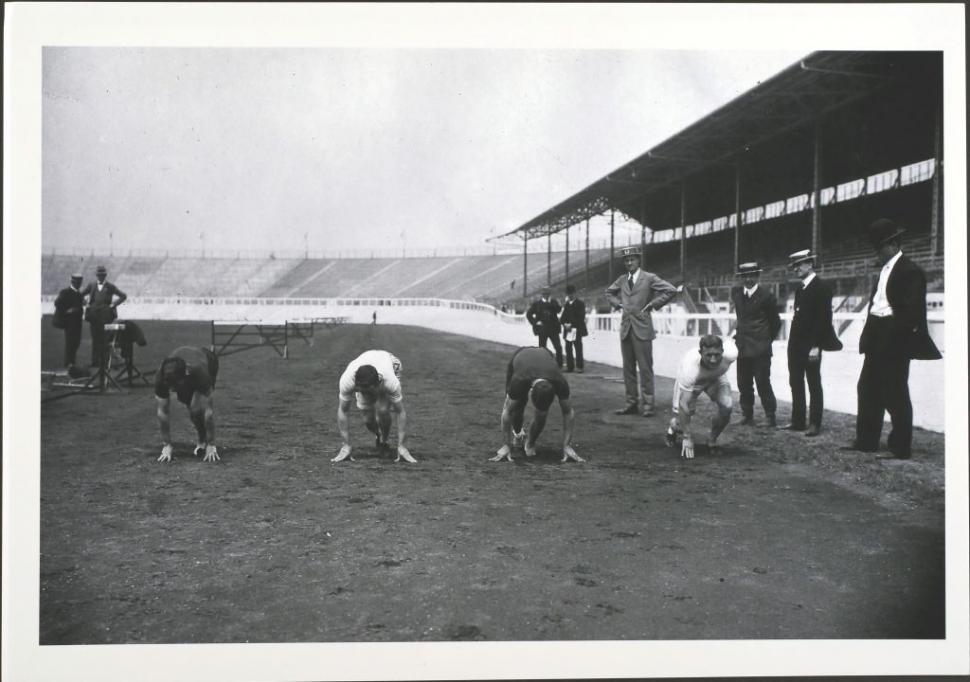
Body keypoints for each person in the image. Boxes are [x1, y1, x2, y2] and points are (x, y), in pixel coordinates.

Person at [843, 219, 942, 459]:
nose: (877, 252)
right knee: (867, 388)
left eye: (880, 247)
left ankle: (900, 447)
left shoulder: (910, 271)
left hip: (894, 336)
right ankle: (867, 441)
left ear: (894, 244)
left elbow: (911, 312)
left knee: (895, 392)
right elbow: (876, 305)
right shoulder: (884, 270)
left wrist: (895, 338)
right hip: (876, 333)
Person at [605, 245, 679, 416]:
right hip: (626, 329)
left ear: (639, 260)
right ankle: (631, 403)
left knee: (645, 368)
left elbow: (671, 290)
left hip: (643, 328)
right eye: (626, 260)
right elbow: (608, 293)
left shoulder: (649, 278)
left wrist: (653, 304)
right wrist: (618, 304)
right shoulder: (622, 279)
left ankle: (648, 405)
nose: (629, 262)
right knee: (628, 369)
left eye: (632, 259)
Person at [781, 249, 842, 437]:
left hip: (811, 346)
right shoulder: (800, 289)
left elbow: (823, 321)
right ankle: (798, 421)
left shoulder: (822, 288)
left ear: (810, 264)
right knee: (796, 382)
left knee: (814, 383)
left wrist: (816, 346)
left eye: (799, 265)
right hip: (796, 345)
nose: (796, 269)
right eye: (794, 266)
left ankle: (815, 423)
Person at [490, 346, 581, 463]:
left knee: (541, 414)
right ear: (531, 391)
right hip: (520, 356)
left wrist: (567, 445)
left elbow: (568, 412)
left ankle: (530, 442)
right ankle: (518, 434)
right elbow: (507, 412)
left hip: (545, 353)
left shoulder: (560, 382)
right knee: (518, 405)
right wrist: (506, 445)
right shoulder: (519, 380)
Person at [333, 350, 415, 463]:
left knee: (383, 410)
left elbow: (400, 411)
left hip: (391, 363)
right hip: (368, 363)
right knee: (368, 419)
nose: (367, 394)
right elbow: (343, 410)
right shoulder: (347, 381)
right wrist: (346, 446)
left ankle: (384, 441)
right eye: (363, 391)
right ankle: (378, 435)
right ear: (357, 386)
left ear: (377, 384)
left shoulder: (390, 382)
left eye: (370, 391)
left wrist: (402, 446)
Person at [664, 335, 739, 459]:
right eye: (708, 355)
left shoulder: (731, 353)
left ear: (723, 351)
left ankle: (712, 440)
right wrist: (687, 437)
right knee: (684, 417)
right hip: (695, 382)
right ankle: (673, 427)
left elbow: (734, 337)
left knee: (727, 406)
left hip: (716, 377)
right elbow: (684, 404)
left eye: (717, 355)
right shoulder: (689, 369)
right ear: (700, 353)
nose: (713, 360)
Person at [730, 262, 782, 427]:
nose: (748, 279)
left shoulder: (767, 296)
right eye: (745, 276)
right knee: (743, 383)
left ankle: (770, 416)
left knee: (762, 382)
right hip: (742, 347)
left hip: (761, 349)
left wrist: (765, 341)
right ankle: (747, 415)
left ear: (758, 276)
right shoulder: (736, 293)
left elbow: (776, 323)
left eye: (751, 275)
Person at [154, 346, 220, 463]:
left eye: (175, 385)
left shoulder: (200, 373)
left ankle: (203, 440)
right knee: (190, 405)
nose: (172, 390)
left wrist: (211, 444)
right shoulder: (160, 378)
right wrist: (167, 445)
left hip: (208, 361)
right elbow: (162, 412)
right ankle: (202, 436)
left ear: (186, 374)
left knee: (197, 409)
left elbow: (208, 412)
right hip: (186, 371)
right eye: (170, 386)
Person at [81, 264, 127, 368]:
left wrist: (113, 304)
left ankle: (105, 362)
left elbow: (123, 296)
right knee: (95, 339)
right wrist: (86, 304)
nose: (101, 276)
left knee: (105, 340)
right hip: (93, 317)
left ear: (105, 275)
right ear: (96, 275)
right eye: (99, 275)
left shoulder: (110, 286)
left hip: (106, 317)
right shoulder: (91, 285)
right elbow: (80, 295)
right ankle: (95, 362)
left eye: (102, 275)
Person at [52, 272, 86, 376]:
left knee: (76, 343)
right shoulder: (65, 292)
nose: (78, 284)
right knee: (70, 343)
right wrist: (67, 310)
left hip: (77, 323)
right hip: (69, 323)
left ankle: (71, 363)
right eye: (76, 282)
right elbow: (57, 303)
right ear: (72, 282)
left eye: (79, 282)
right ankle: (69, 364)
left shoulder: (79, 294)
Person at [525, 286, 563, 367]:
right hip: (542, 329)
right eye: (545, 294)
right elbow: (528, 314)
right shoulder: (537, 304)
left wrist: (551, 303)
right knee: (542, 349)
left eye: (548, 294)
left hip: (553, 329)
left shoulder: (553, 302)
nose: (546, 295)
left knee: (558, 347)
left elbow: (559, 310)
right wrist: (535, 322)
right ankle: (542, 365)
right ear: (542, 294)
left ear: (550, 294)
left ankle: (559, 365)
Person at [559, 284, 588, 373]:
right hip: (568, 330)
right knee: (568, 348)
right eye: (568, 294)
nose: (570, 295)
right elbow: (562, 318)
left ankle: (579, 366)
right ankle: (570, 367)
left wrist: (571, 325)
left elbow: (581, 317)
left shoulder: (580, 304)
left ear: (575, 293)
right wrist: (565, 324)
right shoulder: (567, 305)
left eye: (571, 293)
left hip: (577, 329)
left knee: (578, 348)